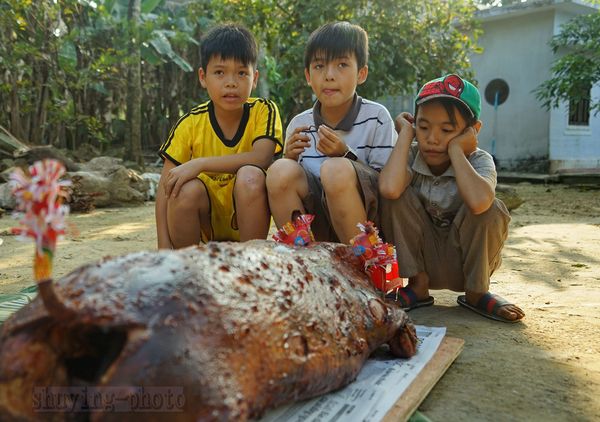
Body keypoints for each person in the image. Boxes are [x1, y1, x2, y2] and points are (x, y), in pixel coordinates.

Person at [379, 74, 525, 322]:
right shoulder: (412, 155)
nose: (432, 138)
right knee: (395, 197)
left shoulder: (479, 161)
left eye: (447, 130)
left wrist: (456, 150)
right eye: (423, 127)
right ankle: (417, 286)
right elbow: (389, 189)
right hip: (422, 262)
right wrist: (404, 135)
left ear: (472, 131)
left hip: (465, 265)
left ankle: (477, 292)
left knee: (491, 207)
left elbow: (479, 202)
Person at [266, 21, 395, 243]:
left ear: (361, 73)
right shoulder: (300, 124)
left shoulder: (377, 117)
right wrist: (290, 158)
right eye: (319, 66)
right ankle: (304, 256)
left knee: (335, 169)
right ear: (308, 76)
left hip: (366, 226)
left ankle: (365, 258)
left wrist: (346, 155)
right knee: (279, 170)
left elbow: (385, 186)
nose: (329, 75)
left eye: (342, 65)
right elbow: (293, 185)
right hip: (320, 224)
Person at [156, 24, 283, 249]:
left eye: (241, 73)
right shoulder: (190, 124)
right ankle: (189, 262)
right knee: (181, 189)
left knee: (251, 175)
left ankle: (250, 259)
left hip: (249, 226)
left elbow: (261, 157)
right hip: (205, 226)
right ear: (203, 77)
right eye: (219, 72)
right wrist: (163, 250)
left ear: (254, 78)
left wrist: (200, 164)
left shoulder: (264, 111)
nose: (231, 82)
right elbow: (165, 189)